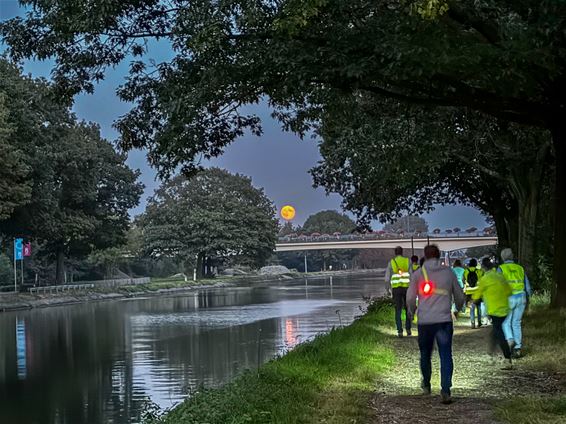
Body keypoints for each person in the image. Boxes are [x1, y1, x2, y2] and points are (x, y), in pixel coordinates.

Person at [407, 245, 465, 404]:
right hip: (444, 321)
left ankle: (426, 384)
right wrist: (458, 310)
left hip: (425, 321)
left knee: (425, 353)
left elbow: (410, 298)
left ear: (425, 256)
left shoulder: (418, 274)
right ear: (439, 256)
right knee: (445, 354)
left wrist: (412, 312)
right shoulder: (448, 273)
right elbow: (459, 296)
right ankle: (445, 389)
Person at [473, 258, 513, 369]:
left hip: (494, 310)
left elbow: (477, 295)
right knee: (495, 332)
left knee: (499, 333)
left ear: (484, 268)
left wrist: (472, 300)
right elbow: (509, 291)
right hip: (504, 309)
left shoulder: (484, 279)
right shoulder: (500, 276)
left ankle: (507, 358)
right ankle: (490, 355)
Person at [498, 248, 532, 358]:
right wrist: (529, 299)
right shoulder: (520, 268)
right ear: (512, 256)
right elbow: (527, 286)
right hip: (521, 297)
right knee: (516, 322)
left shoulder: (501, 269)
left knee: (505, 322)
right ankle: (517, 348)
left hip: (508, 298)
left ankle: (510, 340)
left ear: (503, 257)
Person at [385, 246, 412, 337]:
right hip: (407, 288)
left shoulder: (391, 262)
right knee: (408, 308)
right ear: (402, 252)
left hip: (396, 289)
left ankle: (400, 331)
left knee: (398, 310)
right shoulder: (407, 261)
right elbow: (412, 276)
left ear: (395, 253)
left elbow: (387, 278)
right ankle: (408, 329)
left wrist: (387, 289)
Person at [464, 259, 484, 328]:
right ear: (475, 264)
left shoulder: (466, 271)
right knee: (478, 307)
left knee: (472, 308)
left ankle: (472, 323)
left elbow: (463, 280)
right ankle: (479, 322)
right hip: (477, 292)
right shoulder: (479, 271)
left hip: (469, 292)